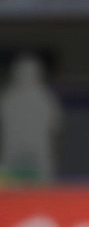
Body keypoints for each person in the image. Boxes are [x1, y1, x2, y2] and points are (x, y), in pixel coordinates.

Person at [0, 55, 62, 184]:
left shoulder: (7, 98)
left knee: (13, 195)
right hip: (39, 157)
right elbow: (56, 132)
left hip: (13, 156)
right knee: (40, 195)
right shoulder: (46, 99)